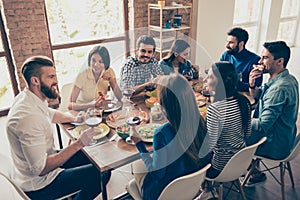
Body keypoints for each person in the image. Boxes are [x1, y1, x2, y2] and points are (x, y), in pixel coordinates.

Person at [6, 56, 111, 199]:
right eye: (51, 77)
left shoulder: (28, 97)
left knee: (94, 156)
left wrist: (75, 118)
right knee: (102, 172)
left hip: (43, 159)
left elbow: (49, 113)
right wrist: (78, 143)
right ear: (35, 81)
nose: (55, 81)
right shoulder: (28, 118)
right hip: (40, 184)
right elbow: (41, 169)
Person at [129, 73, 207, 200]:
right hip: (190, 188)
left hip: (164, 193)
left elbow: (157, 174)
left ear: (165, 106)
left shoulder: (161, 133)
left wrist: (139, 144)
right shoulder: (200, 121)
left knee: (137, 168)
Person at [243, 41, 299, 187]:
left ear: (280, 61)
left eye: (265, 58)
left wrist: (239, 120)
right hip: (286, 138)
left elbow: (262, 125)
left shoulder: (279, 89)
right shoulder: (289, 79)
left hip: (274, 145)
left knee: (228, 134)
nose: (260, 62)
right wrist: (252, 84)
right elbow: (259, 95)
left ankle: (227, 175)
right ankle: (248, 168)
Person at [195, 61, 251, 199]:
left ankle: (206, 189)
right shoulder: (244, 102)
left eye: (210, 77)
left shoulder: (216, 109)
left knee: (190, 155)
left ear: (220, 82)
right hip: (241, 161)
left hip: (220, 166)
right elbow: (248, 133)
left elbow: (210, 145)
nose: (206, 79)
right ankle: (208, 188)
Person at [68, 45, 122, 111]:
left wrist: (111, 80)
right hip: (82, 113)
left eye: (100, 61)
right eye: (93, 60)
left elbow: (120, 97)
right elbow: (70, 105)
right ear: (89, 60)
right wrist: (91, 104)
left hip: (99, 112)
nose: (96, 65)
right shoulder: (82, 75)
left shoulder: (109, 72)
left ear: (106, 63)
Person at [220, 27, 262, 92]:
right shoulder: (226, 55)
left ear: (241, 44)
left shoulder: (255, 60)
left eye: (231, 42)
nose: (227, 45)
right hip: (226, 92)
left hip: (244, 96)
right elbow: (218, 75)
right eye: (227, 42)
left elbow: (256, 86)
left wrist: (230, 83)